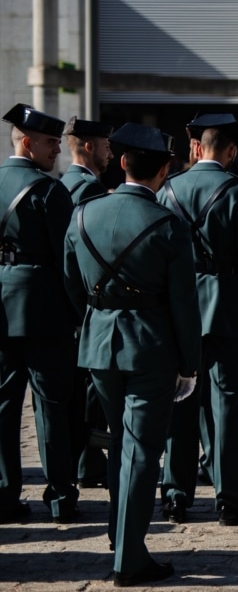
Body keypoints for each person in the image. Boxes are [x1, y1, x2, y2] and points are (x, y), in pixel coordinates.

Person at [63, 122, 203, 586]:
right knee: (141, 451)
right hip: (151, 348)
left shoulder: (83, 214)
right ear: (164, 170)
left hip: (99, 344)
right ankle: (129, 556)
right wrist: (189, 363)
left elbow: (71, 286)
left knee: (123, 444)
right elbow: (185, 303)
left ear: (121, 163)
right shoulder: (169, 225)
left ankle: (119, 532)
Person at [159, 113, 238, 527]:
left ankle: (175, 495)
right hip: (226, 308)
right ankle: (229, 498)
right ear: (233, 151)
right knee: (226, 406)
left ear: (198, 148)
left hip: (180, 308)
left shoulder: (169, 189)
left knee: (179, 405)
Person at [0, 103, 79, 525]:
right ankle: (60, 496)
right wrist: (78, 310)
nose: (57, 153)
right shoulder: (49, 190)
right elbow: (68, 260)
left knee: (2, 404)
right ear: (27, 143)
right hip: (43, 308)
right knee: (51, 405)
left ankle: (3, 493)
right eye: (51, 144)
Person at [60, 116, 114, 488]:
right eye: (107, 146)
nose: (111, 154)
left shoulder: (63, 184)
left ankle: (83, 460)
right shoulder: (90, 190)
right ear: (90, 147)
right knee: (91, 396)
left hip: (65, 304)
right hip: (87, 306)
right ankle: (89, 462)